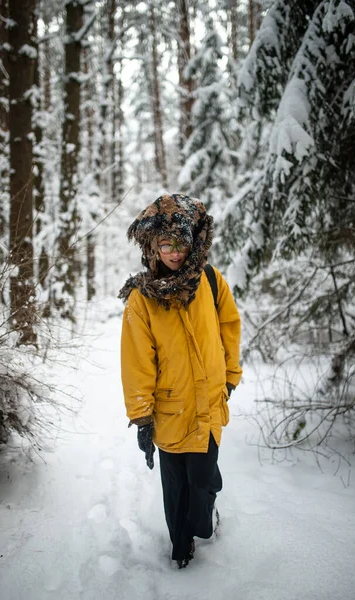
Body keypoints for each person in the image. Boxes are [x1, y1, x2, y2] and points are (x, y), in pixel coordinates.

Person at [119, 193, 242, 569]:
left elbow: (229, 328)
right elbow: (136, 362)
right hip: (170, 410)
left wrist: (231, 377)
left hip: (207, 407)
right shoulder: (142, 299)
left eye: (181, 243)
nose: (174, 253)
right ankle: (181, 545)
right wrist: (142, 418)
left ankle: (202, 524)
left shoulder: (209, 279)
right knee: (175, 490)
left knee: (204, 481)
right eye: (166, 244)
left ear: (194, 242)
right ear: (153, 246)